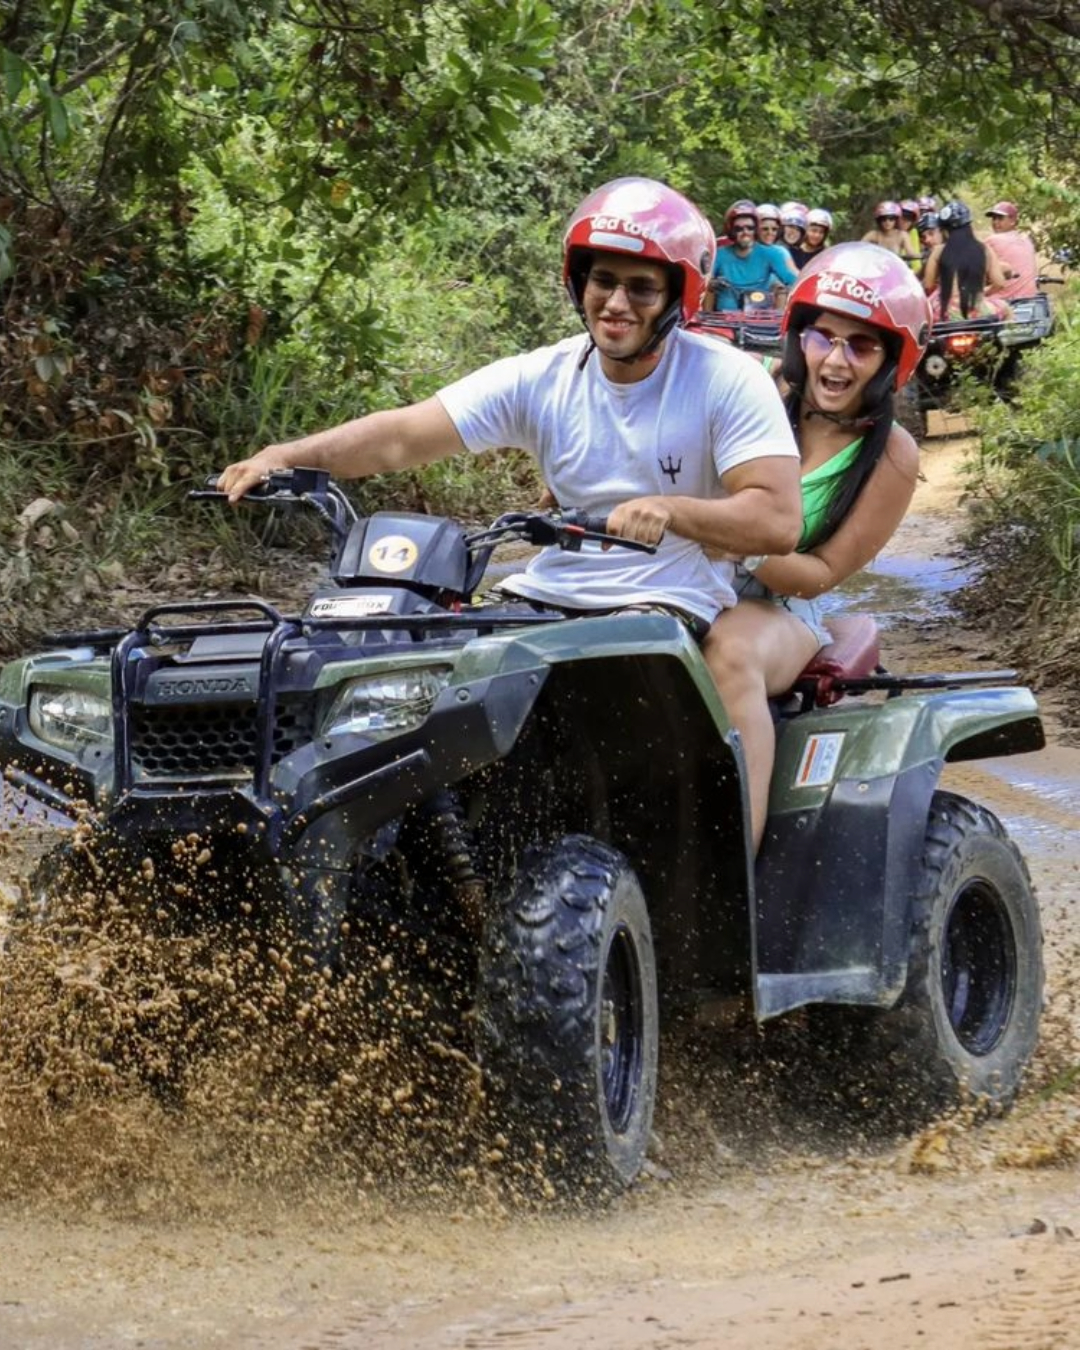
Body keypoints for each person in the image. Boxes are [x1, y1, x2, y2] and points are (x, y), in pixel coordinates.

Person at [219, 176, 802, 646]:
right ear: (580, 284)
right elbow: (401, 436)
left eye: (641, 288)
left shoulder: (724, 377)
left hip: (666, 606)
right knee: (413, 660)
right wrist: (284, 457)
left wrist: (671, 510)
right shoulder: (543, 376)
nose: (616, 303)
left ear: (678, 295)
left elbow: (777, 521)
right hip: (544, 596)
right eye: (603, 281)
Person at [701, 242, 932, 849]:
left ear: (890, 361)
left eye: (860, 345)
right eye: (823, 337)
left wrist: (737, 540)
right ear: (798, 338)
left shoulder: (892, 453)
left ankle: (733, 884)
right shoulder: (757, 390)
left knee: (727, 654)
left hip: (778, 606)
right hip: (685, 573)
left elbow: (822, 572)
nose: (836, 359)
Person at [922, 200, 1011, 320]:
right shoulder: (984, 249)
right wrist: (984, 293)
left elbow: (928, 284)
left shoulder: (938, 251)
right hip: (978, 312)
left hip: (947, 314)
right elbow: (1000, 283)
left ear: (944, 230)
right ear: (969, 224)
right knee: (1006, 308)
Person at [709, 201, 798, 312]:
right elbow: (702, 283)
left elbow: (796, 281)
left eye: (749, 228)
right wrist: (712, 284)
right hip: (722, 320)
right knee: (710, 288)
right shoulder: (719, 254)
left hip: (760, 320)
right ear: (731, 231)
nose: (745, 232)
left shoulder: (773, 253)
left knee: (781, 289)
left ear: (755, 230)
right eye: (738, 229)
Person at [983, 200, 1039, 300]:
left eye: (1000, 218)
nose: (995, 222)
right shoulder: (1026, 239)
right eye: (994, 218)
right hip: (1030, 298)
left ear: (1013, 221)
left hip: (1003, 300)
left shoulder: (992, 240)